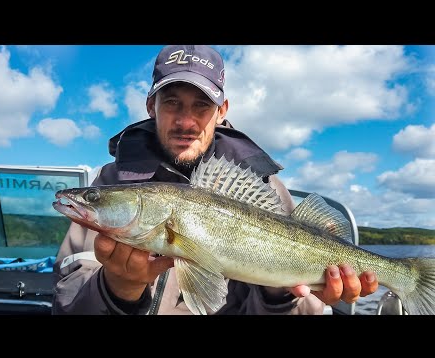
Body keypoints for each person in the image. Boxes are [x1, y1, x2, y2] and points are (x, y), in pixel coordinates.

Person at [52, 45, 379, 315]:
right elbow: (66, 302)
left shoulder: (266, 189)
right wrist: (118, 288)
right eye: (172, 102)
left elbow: (303, 307)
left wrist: (281, 294)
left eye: (201, 105)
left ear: (222, 110)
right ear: (151, 106)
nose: (186, 121)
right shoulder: (113, 180)